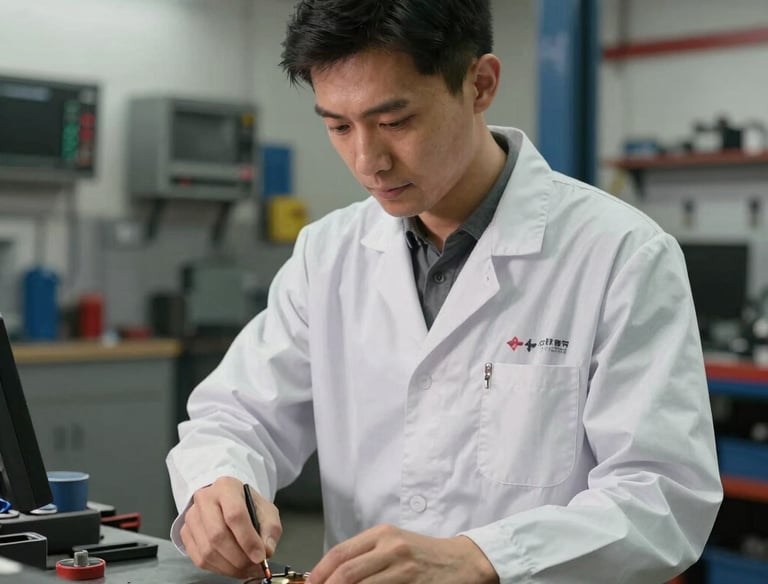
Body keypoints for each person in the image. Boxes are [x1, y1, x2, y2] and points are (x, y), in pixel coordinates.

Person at [166, 1, 723, 582]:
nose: (368, 161)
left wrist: (484, 558)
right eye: (337, 125)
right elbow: (237, 415)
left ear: (479, 85)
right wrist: (218, 484)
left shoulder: (620, 254)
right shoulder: (327, 254)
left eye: (395, 122)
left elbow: (663, 498)